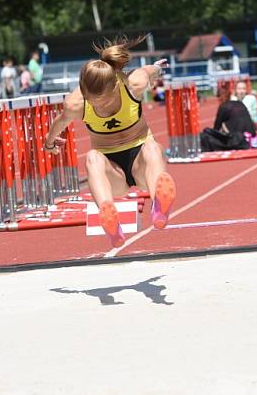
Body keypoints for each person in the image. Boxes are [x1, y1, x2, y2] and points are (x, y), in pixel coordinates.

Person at [43, 37, 176, 248]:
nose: (100, 105)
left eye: (104, 100)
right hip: (111, 169)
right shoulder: (75, 103)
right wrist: (49, 142)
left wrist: (158, 68)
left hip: (140, 160)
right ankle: (109, 217)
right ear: (85, 92)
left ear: (115, 84)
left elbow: (150, 70)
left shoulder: (134, 83)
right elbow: (60, 122)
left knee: (153, 148)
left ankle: (159, 206)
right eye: (94, 101)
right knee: (92, 157)